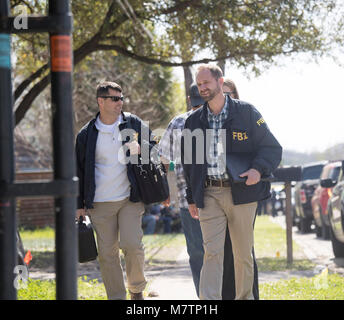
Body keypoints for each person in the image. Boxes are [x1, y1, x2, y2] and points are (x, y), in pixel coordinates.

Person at [181, 64, 282, 300]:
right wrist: (191, 197)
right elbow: (189, 164)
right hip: (209, 194)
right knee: (211, 253)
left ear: (219, 81)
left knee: (242, 254)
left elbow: (272, 148)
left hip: (242, 193)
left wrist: (258, 169)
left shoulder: (247, 113)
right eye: (199, 83)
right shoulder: (193, 121)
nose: (202, 87)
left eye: (207, 82)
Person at [75, 81, 156, 300]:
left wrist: (142, 149)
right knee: (108, 255)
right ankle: (117, 297)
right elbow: (79, 170)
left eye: (121, 98)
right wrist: (79, 205)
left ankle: (136, 290)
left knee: (132, 245)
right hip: (100, 203)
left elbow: (156, 148)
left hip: (130, 197)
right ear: (100, 101)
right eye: (115, 98)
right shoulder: (86, 134)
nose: (120, 102)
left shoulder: (133, 123)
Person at [159, 83, 238, 299]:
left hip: (200, 199)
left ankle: (211, 296)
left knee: (202, 254)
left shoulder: (181, 121)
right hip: (204, 198)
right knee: (210, 253)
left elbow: (164, 159)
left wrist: (167, 188)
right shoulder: (185, 122)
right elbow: (164, 158)